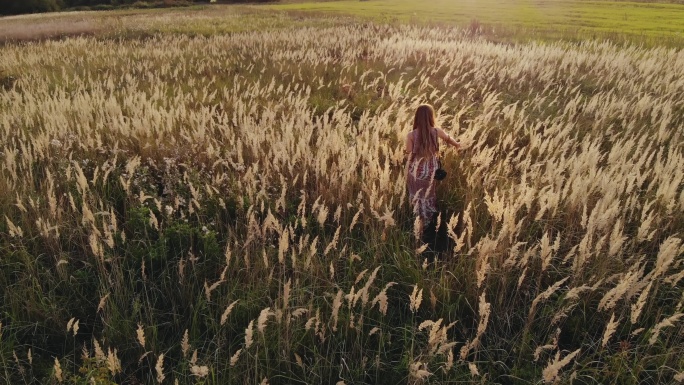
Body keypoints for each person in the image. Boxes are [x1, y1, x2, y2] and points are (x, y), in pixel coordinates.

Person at [405, 104, 461, 229]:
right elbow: (448, 139)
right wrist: (457, 144)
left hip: (417, 172)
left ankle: (417, 222)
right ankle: (429, 222)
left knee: (417, 195)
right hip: (431, 171)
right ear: (431, 117)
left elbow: (408, 154)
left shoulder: (411, 135)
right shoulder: (437, 131)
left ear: (416, 118)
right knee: (429, 196)